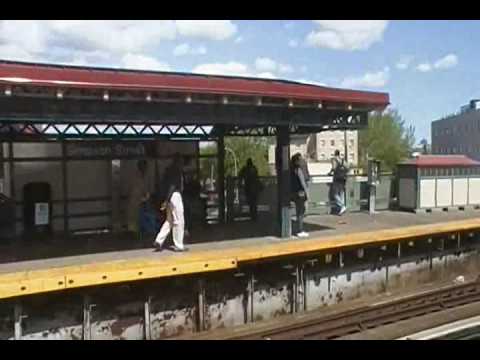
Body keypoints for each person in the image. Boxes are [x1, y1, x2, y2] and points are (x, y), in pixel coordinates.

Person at [153, 184, 188, 252]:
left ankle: (159, 240)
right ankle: (178, 245)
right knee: (178, 221)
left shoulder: (167, 174)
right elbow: (173, 185)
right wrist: (167, 200)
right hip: (174, 195)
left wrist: (166, 199)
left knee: (169, 221)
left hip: (169, 196)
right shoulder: (175, 173)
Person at [127, 159, 153, 235]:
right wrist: (144, 197)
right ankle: (134, 233)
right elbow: (137, 190)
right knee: (134, 219)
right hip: (136, 201)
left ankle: (137, 232)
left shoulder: (143, 176)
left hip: (139, 202)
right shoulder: (137, 177)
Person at [291, 154, 309, 237]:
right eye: (300, 159)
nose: (301, 160)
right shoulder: (298, 170)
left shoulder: (291, 170)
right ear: (297, 160)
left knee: (299, 211)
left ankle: (299, 229)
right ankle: (300, 230)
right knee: (301, 212)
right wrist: (307, 193)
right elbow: (302, 182)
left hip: (294, 192)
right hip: (300, 192)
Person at [329, 150, 348, 216]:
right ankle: (341, 209)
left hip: (337, 178)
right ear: (339, 154)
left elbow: (334, 167)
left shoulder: (334, 159)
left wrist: (330, 172)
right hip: (343, 179)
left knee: (335, 194)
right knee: (341, 193)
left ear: (335, 154)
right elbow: (347, 167)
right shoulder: (342, 160)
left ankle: (342, 206)